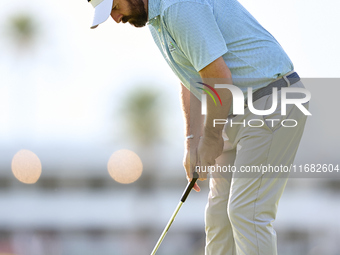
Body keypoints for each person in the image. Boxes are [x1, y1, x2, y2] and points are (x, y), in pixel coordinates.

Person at [86, 0, 310, 254]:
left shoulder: (178, 6)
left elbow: (217, 77)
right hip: (233, 110)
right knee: (218, 216)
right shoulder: (156, 18)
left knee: (246, 211)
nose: (116, 18)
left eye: (115, 6)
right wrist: (193, 140)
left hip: (272, 98)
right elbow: (191, 76)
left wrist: (211, 138)